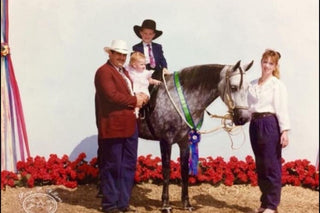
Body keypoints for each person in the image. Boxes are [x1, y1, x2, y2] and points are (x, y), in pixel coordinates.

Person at [94, 39, 149, 213]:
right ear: (110, 53)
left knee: (128, 165)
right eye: (118, 53)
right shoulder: (103, 72)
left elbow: (126, 93)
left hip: (129, 125)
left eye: (124, 54)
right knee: (113, 165)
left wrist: (142, 96)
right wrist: (135, 100)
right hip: (113, 127)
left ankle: (123, 203)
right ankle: (110, 205)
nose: (121, 57)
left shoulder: (123, 71)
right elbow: (111, 96)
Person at [247, 49, 290, 213]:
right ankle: (264, 203)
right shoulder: (251, 84)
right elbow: (249, 108)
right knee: (261, 165)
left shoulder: (277, 85)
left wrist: (284, 131)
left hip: (270, 124)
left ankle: (272, 205)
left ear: (275, 66)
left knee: (271, 165)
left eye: (271, 63)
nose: (267, 66)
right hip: (255, 124)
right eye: (265, 62)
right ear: (261, 62)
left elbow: (282, 108)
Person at [132, 19, 169, 85]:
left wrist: (164, 68)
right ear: (141, 33)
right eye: (145, 33)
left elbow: (162, 59)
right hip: (144, 71)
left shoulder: (158, 47)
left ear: (154, 35)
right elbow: (135, 61)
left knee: (166, 83)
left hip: (157, 72)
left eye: (150, 34)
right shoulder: (137, 48)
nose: (147, 36)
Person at [125, 51, 162, 118]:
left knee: (142, 98)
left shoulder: (145, 73)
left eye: (144, 64)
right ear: (134, 65)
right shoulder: (131, 72)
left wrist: (155, 81)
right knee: (133, 97)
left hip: (143, 92)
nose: (144, 66)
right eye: (142, 64)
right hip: (134, 92)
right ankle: (134, 108)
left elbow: (150, 80)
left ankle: (137, 109)